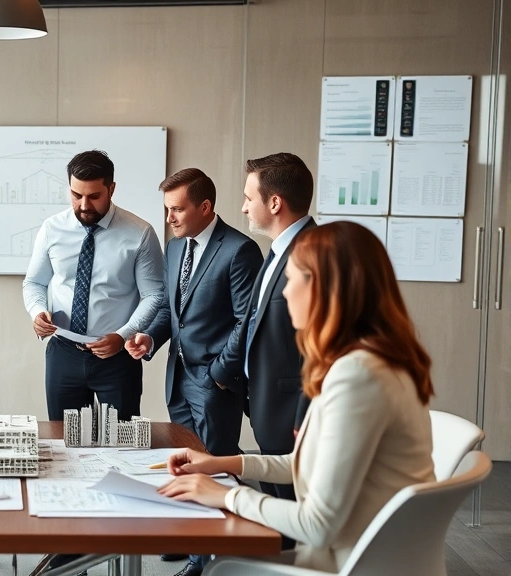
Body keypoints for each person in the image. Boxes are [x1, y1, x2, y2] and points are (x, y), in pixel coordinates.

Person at [159, 222, 435, 575]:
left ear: (325, 289)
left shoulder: (359, 376)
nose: (286, 293)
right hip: (357, 552)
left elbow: (317, 524)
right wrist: (221, 465)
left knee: (222, 568)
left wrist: (224, 495)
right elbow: (309, 464)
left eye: (293, 280)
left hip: (351, 562)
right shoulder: (369, 362)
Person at [125, 168, 262, 575]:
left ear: (205, 207)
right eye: (167, 209)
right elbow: (173, 311)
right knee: (182, 462)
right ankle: (189, 541)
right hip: (179, 379)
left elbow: (246, 322)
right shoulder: (174, 247)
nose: (170, 217)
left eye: (177, 208)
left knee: (212, 466)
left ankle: (205, 559)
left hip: (215, 383)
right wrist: (149, 338)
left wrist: (220, 374)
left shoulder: (239, 250)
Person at [23, 149, 164, 421]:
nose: (84, 205)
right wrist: (37, 312)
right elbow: (34, 282)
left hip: (117, 358)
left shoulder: (140, 233)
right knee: (64, 442)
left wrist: (122, 335)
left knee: (123, 445)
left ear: (111, 189)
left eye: (94, 196)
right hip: (64, 353)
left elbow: (153, 294)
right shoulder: (52, 229)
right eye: (76, 196)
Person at [235, 153, 317, 534]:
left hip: (292, 413)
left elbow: (320, 351)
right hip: (267, 403)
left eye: (249, 197)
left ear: (274, 203)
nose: (243, 206)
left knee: (293, 521)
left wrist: (302, 418)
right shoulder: (277, 250)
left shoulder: (313, 253)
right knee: (278, 520)